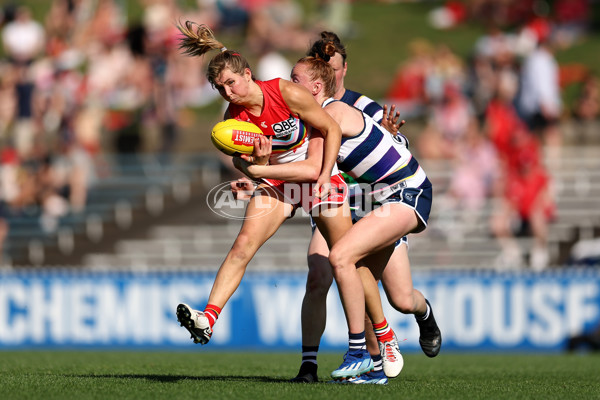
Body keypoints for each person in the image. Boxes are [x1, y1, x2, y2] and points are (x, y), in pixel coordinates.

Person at [173, 21, 374, 381]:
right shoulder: (231, 121)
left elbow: (329, 128)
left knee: (349, 261)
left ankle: (377, 344)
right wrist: (258, 167)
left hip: (314, 177)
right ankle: (209, 318)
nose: (228, 92)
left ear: (248, 75)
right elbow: (243, 164)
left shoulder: (285, 92)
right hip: (278, 184)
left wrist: (326, 175)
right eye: (220, 88)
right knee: (242, 247)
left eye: (231, 83)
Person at [234, 46, 440, 385]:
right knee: (349, 273)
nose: (288, 85)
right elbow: (297, 166)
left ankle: (365, 347)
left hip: (401, 193)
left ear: (317, 86)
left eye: (295, 80)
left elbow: (318, 164)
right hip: (361, 202)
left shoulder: (335, 112)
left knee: (358, 268)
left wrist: (267, 170)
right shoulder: (309, 118)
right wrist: (255, 175)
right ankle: (372, 361)